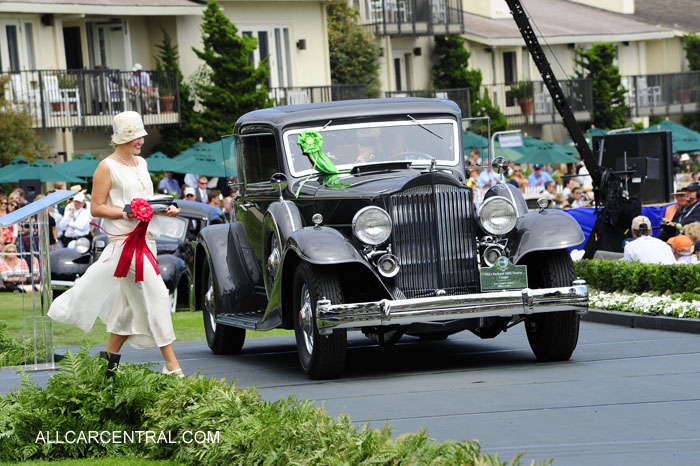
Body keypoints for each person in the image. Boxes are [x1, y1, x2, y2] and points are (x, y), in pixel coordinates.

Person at [48, 111, 185, 378]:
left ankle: (107, 368)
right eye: (136, 137)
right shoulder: (106, 167)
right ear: (121, 138)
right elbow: (96, 208)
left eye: (142, 136)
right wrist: (126, 212)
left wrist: (166, 208)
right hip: (125, 244)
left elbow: (147, 201)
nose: (141, 141)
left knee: (126, 306)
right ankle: (172, 365)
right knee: (158, 295)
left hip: (146, 240)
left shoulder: (141, 163)